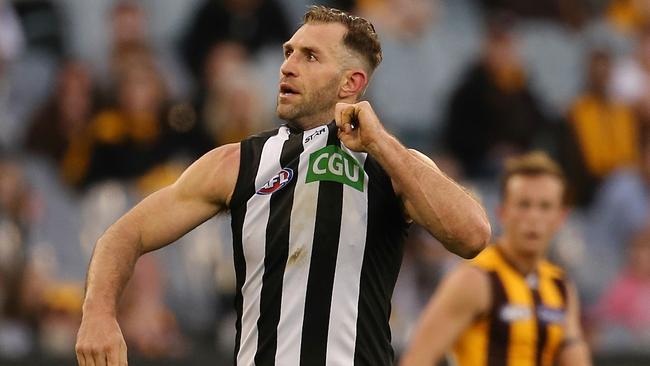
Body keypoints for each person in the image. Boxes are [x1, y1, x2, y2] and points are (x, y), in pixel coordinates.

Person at [75, 6, 491, 366]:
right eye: (288, 52)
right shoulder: (238, 162)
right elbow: (123, 235)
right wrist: (98, 314)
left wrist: (382, 143)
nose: (287, 65)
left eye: (310, 56)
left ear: (351, 83)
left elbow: (472, 235)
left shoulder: (394, 165)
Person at [400, 152, 591, 366]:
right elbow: (417, 359)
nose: (533, 218)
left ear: (561, 217)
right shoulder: (475, 279)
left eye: (545, 206)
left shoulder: (560, 286)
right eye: (524, 205)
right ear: (502, 212)